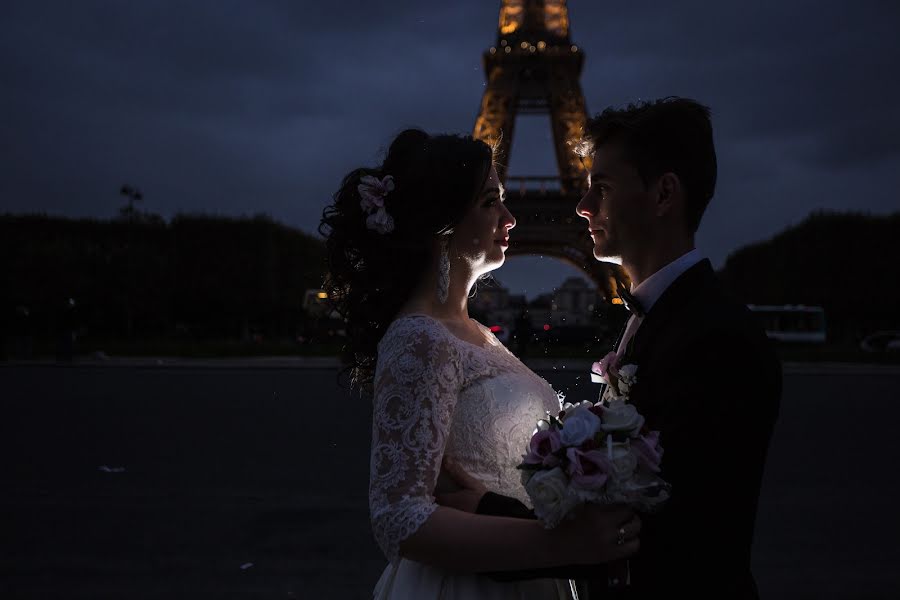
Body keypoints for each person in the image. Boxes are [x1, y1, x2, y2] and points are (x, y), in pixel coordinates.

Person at [456, 98, 781, 599]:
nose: (582, 205)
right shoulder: (672, 320)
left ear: (663, 194)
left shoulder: (716, 341)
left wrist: (475, 511)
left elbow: (654, 531)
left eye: (602, 188)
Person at [320, 129, 641, 600]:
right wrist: (563, 544)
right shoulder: (419, 337)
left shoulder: (472, 335)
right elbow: (398, 517)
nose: (510, 217)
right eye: (491, 202)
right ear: (442, 221)